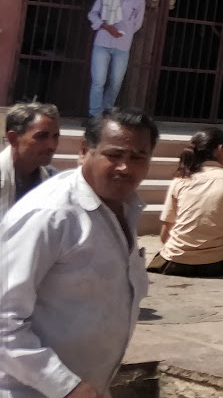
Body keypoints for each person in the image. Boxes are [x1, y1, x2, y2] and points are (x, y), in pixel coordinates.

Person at [0, 108, 158, 398]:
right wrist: (67, 386)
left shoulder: (124, 207)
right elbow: (3, 321)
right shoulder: (51, 214)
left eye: (137, 157)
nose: (125, 167)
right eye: (114, 155)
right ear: (85, 151)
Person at [149, 128, 223, 278]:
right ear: (220, 149)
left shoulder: (180, 180)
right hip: (216, 264)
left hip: (174, 263)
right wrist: (215, 249)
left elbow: (165, 235)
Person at [86, 0, 146, 116]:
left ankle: (106, 113)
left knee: (116, 83)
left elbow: (137, 23)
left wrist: (124, 32)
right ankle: (94, 115)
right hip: (102, 42)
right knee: (99, 81)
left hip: (123, 46)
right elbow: (93, 14)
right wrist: (106, 27)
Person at [0, 103, 61, 220]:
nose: (52, 146)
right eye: (42, 136)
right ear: (13, 138)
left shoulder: (54, 181)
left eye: (55, 136)